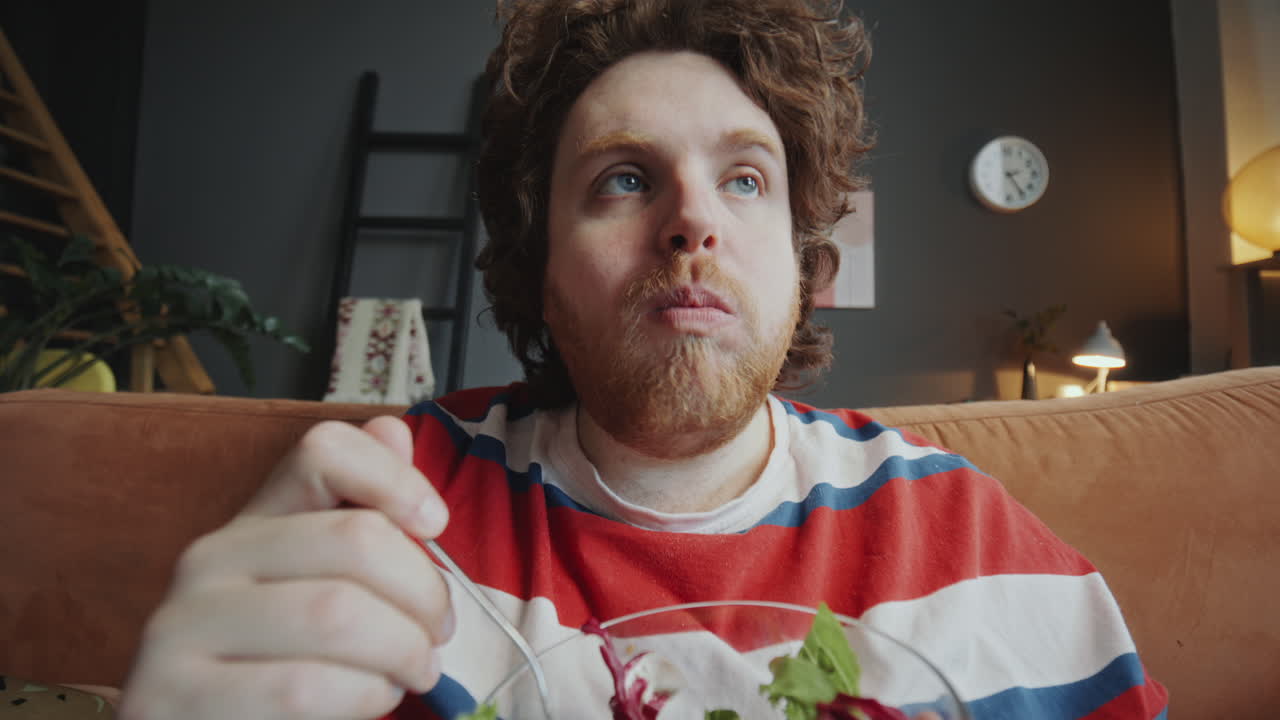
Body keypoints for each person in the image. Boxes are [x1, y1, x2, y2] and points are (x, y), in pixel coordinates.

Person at [118, 1, 1169, 718]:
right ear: (539, 270)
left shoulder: (968, 540)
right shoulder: (389, 518)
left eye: (745, 180)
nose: (691, 221)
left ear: (804, 261)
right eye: (623, 180)